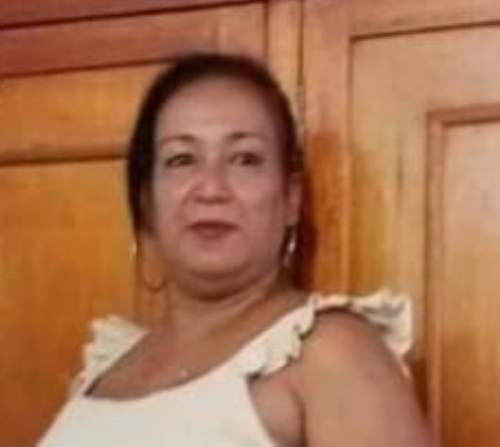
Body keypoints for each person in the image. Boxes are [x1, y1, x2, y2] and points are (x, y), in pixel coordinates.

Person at [37, 53, 433, 447]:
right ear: (147, 202)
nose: (211, 189)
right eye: (181, 160)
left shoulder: (331, 351)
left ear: (291, 198)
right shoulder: (106, 365)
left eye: (245, 159)